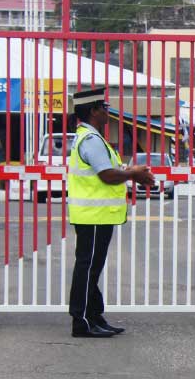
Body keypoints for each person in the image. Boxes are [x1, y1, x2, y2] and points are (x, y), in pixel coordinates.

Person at [67, 87, 155, 338]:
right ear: (93, 110)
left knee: (91, 268)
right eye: (104, 107)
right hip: (93, 217)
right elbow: (107, 175)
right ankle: (82, 321)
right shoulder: (91, 140)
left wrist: (131, 173)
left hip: (98, 217)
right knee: (87, 269)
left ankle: (94, 316)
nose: (108, 112)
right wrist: (134, 173)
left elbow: (111, 169)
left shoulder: (92, 137)